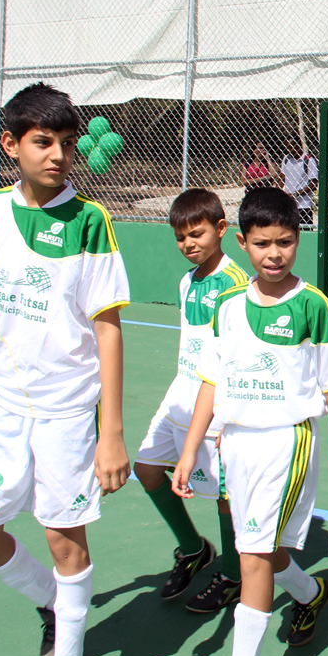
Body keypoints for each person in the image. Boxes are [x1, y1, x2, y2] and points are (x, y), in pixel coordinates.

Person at [0, 83, 130, 656]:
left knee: (64, 538)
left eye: (66, 142)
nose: (57, 154)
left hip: (66, 411)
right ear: (11, 145)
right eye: (42, 141)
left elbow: (107, 329)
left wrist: (111, 431)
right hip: (1, 404)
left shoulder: (89, 221)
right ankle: (52, 605)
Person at [173, 187, 328, 656]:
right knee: (265, 553)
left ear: (298, 240)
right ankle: (313, 594)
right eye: (263, 243)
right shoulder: (225, 306)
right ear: (243, 243)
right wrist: (189, 451)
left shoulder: (312, 305)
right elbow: (210, 381)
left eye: (286, 242)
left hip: (287, 443)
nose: (275, 253)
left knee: (251, 555)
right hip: (236, 445)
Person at [133, 189, 248, 612]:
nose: (189, 244)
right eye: (181, 237)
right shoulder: (187, 281)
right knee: (145, 469)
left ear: (221, 229)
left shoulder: (236, 285)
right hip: (180, 392)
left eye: (196, 234)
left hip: (216, 402)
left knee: (224, 495)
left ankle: (234, 576)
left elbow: (233, 357)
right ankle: (193, 548)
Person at [280, 137, 318, 228]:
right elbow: (282, 179)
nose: (288, 150)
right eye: (287, 147)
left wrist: (296, 194)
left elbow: (313, 184)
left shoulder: (308, 160)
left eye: (290, 147)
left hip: (303, 205)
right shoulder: (286, 159)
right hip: (288, 204)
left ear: (298, 145)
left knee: (304, 231)